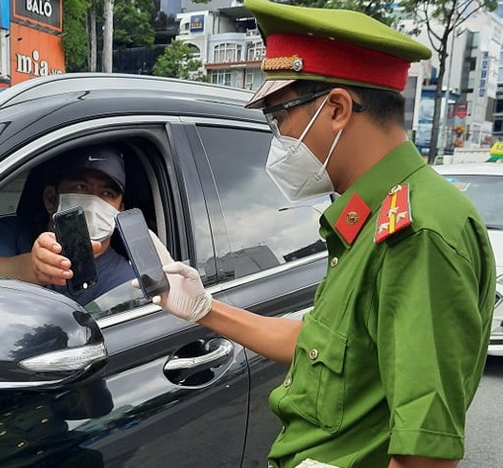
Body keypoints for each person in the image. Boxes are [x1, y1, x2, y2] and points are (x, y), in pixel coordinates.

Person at [145, 2, 497, 468]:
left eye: (279, 118)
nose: (277, 141)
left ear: (336, 108)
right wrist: (205, 308)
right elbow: (317, 346)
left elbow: (424, 457)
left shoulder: (418, 231)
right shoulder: (366, 217)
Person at [0, 144, 135, 305]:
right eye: (81, 187)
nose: (93, 202)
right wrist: (34, 268)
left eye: (107, 193)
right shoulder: (11, 231)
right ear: (51, 199)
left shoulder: (127, 282)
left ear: (120, 211)